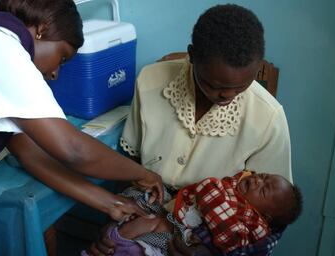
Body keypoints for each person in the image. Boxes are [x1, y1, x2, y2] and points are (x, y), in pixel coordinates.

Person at [89, 3, 293, 255]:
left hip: (206, 231)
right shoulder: (150, 80)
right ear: (192, 55)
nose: (227, 95)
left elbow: (269, 221)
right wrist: (116, 223)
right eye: (215, 84)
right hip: (146, 204)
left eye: (241, 87)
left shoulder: (268, 117)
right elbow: (133, 165)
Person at [0, 0, 164, 223]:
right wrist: (144, 174)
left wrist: (112, 204)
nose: (55, 73)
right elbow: (74, 150)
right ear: (42, 29)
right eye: (62, 57)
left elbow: (29, 152)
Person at [83, 171, 302, 256]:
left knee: (152, 226)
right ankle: (114, 238)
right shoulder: (234, 184)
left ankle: (119, 242)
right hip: (169, 208)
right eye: (262, 176)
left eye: (263, 189)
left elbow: (238, 244)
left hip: (181, 240)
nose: (256, 180)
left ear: (266, 216)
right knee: (144, 209)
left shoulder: (253, 223)